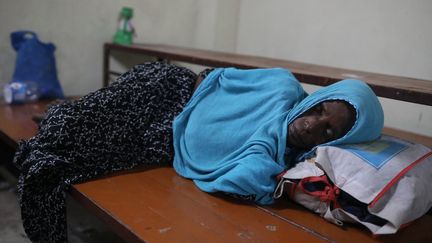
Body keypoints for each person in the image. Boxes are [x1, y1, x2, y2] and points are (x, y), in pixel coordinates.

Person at [14, 62, 383, 242]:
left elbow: (240, 181)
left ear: (336, 141)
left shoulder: (279, 156)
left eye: (329, 130)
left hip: (165, 138)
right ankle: (63, 115)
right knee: (64, 132)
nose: (311, 125)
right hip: (170, 90)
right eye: (318, 110)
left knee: (59, 163)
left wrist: (275, 163)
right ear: (316, 98)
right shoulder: (281, 86)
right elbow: (219, 76)